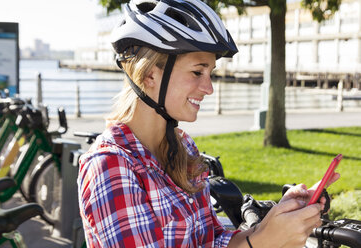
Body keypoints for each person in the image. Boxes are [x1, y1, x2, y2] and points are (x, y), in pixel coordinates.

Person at [77, 0, 340, 247]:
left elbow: (213, 240)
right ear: (150, 75)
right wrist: (263, 241)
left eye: (210, 73)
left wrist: (274, 221)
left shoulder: (183, 148)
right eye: (197, 71)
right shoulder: (109, 166)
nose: (209, 88)